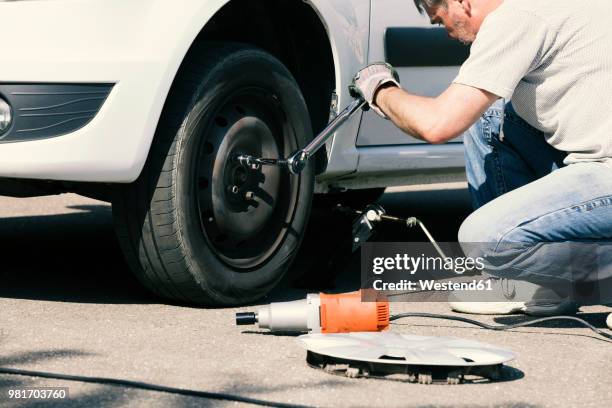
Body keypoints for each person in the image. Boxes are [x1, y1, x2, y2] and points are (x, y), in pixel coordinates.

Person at [349, 0, 612, 327]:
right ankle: (524, 281)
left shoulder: (516, 18)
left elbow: (438, 124)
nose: (445, 33)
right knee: (489, 117)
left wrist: (380, 89)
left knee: (483, 239)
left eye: (440, 21)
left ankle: (542, 278)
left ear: (463, 3)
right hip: (598, 164)